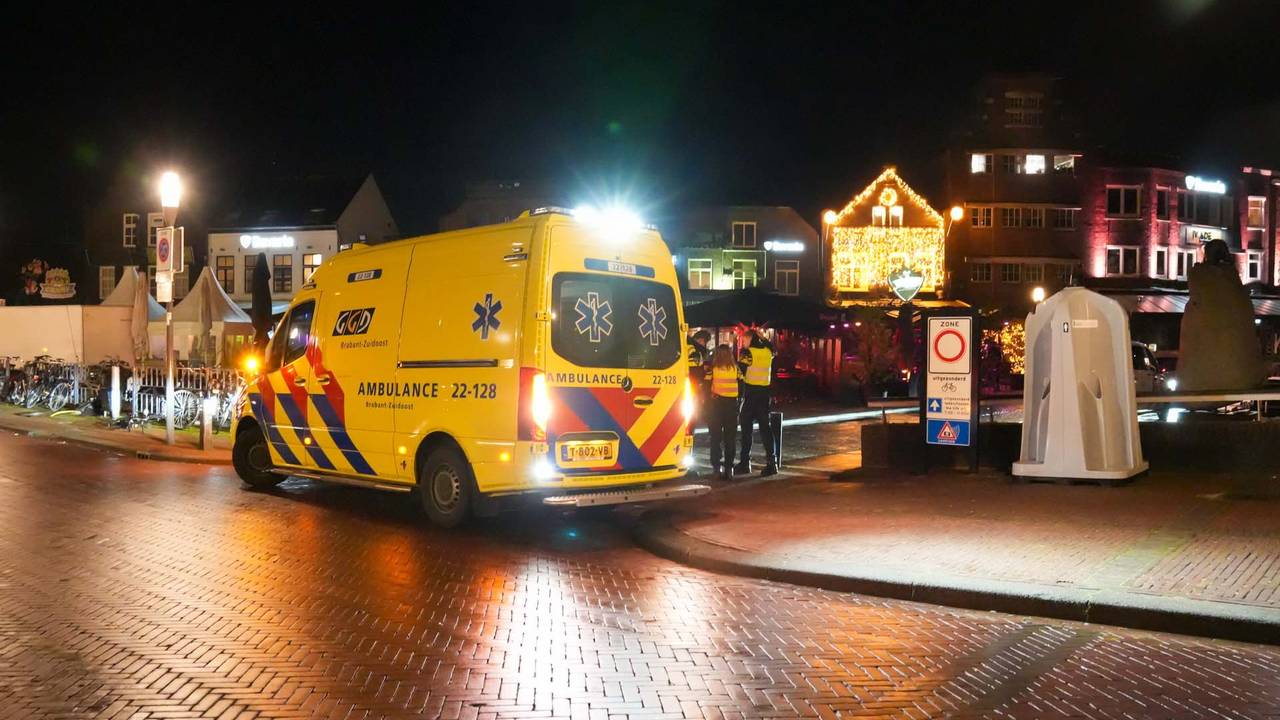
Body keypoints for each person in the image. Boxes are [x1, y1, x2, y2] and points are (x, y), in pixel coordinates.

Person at [735, 329, 777, 477]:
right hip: (764, 395)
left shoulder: (747, 353)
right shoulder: (768, 351)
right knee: (766, 430)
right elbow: (772, 349)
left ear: (749, 339)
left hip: (750, 394)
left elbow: (740, 373)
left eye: (744, 340)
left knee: (746, 431)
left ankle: (745, 463)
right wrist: (762, 338)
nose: (743, 343)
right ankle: (772, 463)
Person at [706, 344, 740, 480]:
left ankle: (716, 467)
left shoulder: (713, 369)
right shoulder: (736, 369)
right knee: (730, 438)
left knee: (715, 437)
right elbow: (742, 385)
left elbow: (706, 385)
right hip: (731, 405)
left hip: (716, 405)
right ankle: (729, 468)